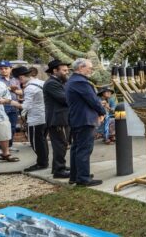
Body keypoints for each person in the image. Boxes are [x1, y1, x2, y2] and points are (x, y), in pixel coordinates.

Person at [65, 58, 106, 186]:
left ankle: (76, 175)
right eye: (89, 67)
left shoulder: (72, 81)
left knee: (77, 148)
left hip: (77, 118)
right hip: (85, 120)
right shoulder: (81, 82)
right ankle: (83, 178)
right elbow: (92, 100)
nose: (91, 70)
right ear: (81, 68)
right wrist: (102, 111)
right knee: (84, 149)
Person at [11, 66, 47, 171]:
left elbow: (25, 106)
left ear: (21, 77)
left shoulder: (29, 88)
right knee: (42, 141)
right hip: (45, 115)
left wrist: (10, 102)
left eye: (18, 78)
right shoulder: (41, 82)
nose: (18, 80)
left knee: (35, 142)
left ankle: (41, 163)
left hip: (36, 118)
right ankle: (44, 161)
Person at [43, 59, 70, 178]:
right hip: (57, 119)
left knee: (61, 144)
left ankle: (58, 167)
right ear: (55, 71)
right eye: (64, 70)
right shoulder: (51, 83)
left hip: (60, 118)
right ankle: (59, 170)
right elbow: (65, 99)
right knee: (61, 144)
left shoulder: (58, 82)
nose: (66, 72)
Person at [0, 64, 19, 162]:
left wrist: (3, 100)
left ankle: (5, 154)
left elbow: (8, 98)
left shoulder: (0, 84)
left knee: (4, 134)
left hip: (0, 114)